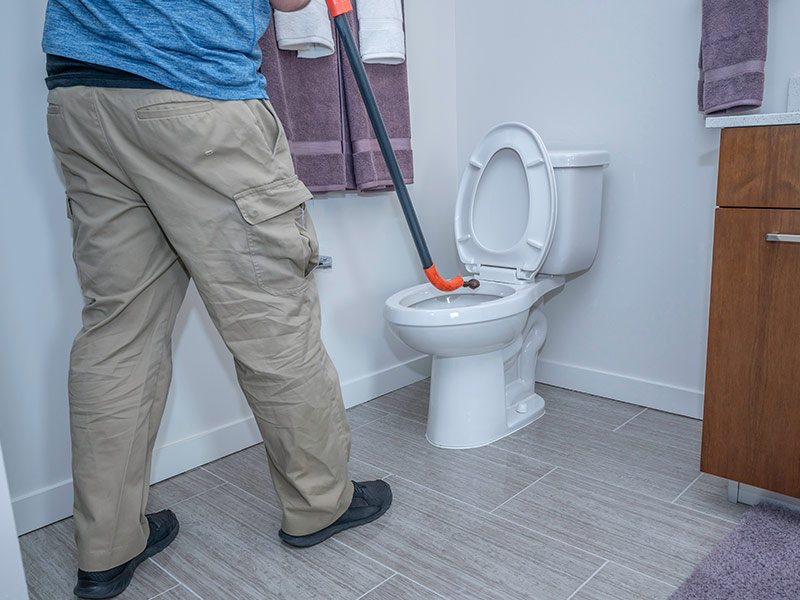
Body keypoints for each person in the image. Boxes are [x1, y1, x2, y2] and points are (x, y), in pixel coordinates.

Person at [41, 1, 392, 597]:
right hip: (194, 92)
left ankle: (107, 546)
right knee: (273, 323)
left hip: (81, 95)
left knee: (117, 332)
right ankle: (320, 503)